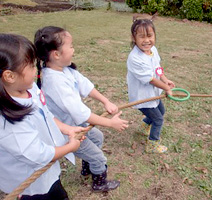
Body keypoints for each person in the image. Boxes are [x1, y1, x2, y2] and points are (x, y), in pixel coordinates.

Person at [34, 26, 128, 192]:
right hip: (66, 132)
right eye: (70, 46)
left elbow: (85, 85)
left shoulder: (65, 70)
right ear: (56, 54)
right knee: (99, 157)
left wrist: (105, 101)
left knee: (97, 137)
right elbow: (81, 112)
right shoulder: (54, 82)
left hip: (76, 124)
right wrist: (110, 123)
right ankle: (99, 183)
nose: (73, 49)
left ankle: (87, 168)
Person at [0, 33, 87, 199]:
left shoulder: (30, 88)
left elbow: (46, 115)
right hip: (27, 181)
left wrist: (68, 129)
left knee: (56, 190)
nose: (37, 69)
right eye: (32, 66)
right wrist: (70, 147)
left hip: (48, 168)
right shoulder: (8, 121)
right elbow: (36, 154)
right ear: (10, 76)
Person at [126, 17, 175, 153]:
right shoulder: (135, 58)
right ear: (133, 37)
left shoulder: (153, 50)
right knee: (158, 119)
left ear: (154, 35)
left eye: (150, 36)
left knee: (162, 111)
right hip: (142, 96)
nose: (146, 40)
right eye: (141, 36)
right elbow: (151, 79)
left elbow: (157, 68)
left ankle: (144, 126)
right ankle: (152, 144)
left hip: (153, 94)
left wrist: (165, 80)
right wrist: (166, 88)